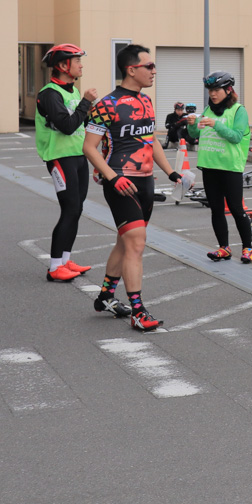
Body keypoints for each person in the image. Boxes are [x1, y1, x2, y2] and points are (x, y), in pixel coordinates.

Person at [83, 44, 182, 332]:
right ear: (131, 69)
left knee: (126, 242)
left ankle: (104, 296)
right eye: (148, 66)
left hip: (146, 182)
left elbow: (151, 142)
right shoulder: (106, 104)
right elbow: (89, 148)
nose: (154, 71)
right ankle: (138, 310)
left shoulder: (147, 102)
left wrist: (172, 172)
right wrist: (112, 177)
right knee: (137, 242)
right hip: (120, 183)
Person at [35, 43, 98, 282]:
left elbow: (81, 122)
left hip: (78, 156)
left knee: (77, 209)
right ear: (63, 66)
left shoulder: (70, 90)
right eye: (76, 61)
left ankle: (65, 260)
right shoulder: (49, 94)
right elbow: (68, 125)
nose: (81, 65)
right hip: (60, 157)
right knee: (70, 209)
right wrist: (86, 103)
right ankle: (54, 268)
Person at [187, 72, 252, 264]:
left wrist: (216, 124)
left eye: (216, 90)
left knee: (236, 208)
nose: (213, 94)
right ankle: (224, 248)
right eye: (210, 90)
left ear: (228, 90)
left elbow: (236, 136)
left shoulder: (239, 111)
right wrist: (192, 125)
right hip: (209, 167)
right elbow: (194, 135)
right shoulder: (208, 110)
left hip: (230, 167)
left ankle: (248, 247)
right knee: (216, 209)